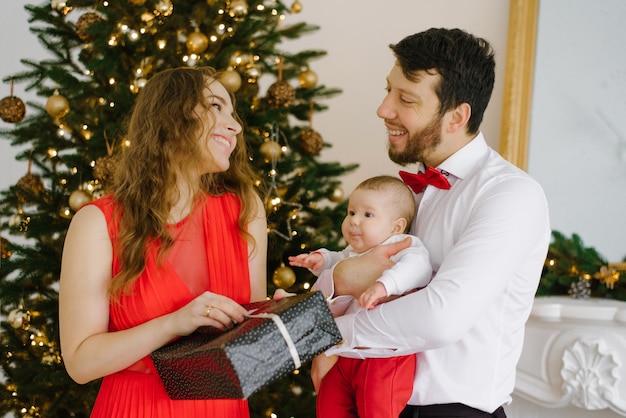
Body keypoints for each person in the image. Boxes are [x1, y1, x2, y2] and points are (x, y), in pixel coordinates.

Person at [311, 28, 551, 418]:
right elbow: (349, 278)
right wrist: (338, 282)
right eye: (389, 90)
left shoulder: (510, 195)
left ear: (457, 116)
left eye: (405, 99)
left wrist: (331, 338)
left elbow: (441, 317)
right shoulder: (396, 194)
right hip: (373, 401)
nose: (384, 109)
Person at [58, 66, 267, 418]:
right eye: (217, 106)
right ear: (171, 117)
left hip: (225, 410)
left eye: (234, 113)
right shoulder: (97, 222)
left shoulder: (245, 210)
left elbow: (249, 341)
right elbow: (80, 363)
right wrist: (173, 323)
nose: (236, 126)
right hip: (135, 409)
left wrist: (284, 314)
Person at [290, 175, 432, 418]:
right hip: (347, 352)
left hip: (384, 354)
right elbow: (340, 260)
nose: (354, 221)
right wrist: (322, 259)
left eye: (367, 215)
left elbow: (419, 267)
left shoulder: (402, 245)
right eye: (351, 212)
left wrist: (384, 285)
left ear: (396, 227)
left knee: (376, 408)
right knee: (329, 404)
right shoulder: (355, 252)